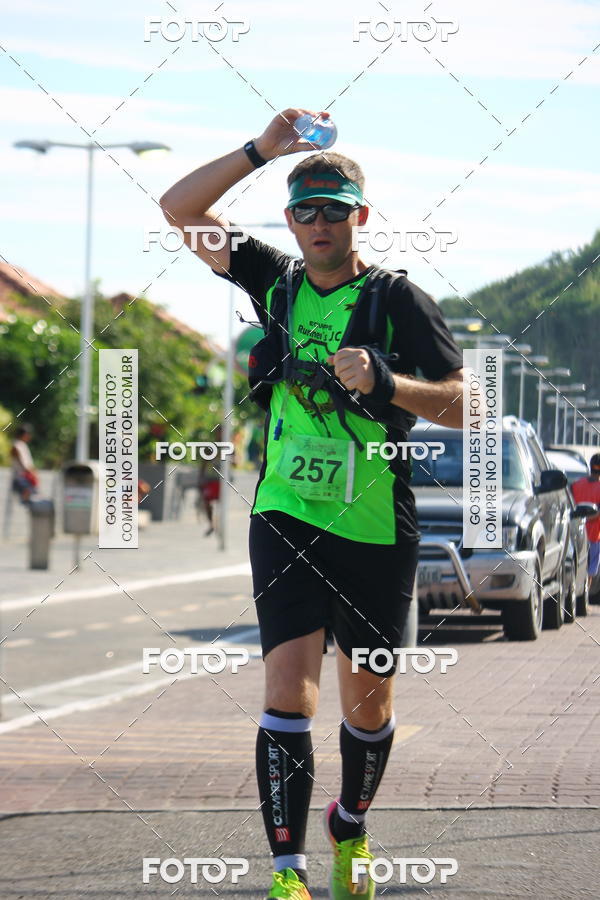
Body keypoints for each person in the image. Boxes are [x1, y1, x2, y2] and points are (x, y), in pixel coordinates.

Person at [160, 107, 465, 900]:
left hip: (373, 526)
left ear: (359, 216)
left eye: (335, 208)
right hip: (286, 516)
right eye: (305, 209)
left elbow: (469, 404)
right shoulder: (272, 278)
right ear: (290, 220)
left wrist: (389, 382)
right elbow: (179, 209)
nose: (320, 222)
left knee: (367, 711)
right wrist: (263, 149)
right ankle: (288, 872)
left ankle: (351, 825)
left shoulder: (398, 300)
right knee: (287, 692)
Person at [571, 453, 600, 592]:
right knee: (590, 569)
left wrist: (580, 519)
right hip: (594, 536)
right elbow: (597, 514)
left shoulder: (576, 484)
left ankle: (578, 593)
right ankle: (585, 595)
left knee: (576, 565)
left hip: (575, 532)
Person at [10, 424, 39, 505]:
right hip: (21, 478)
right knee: (29, 499)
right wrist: (30, 472)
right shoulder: (16, 446)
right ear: (24, 434)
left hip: (26, 477)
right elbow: (22, 464)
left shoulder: (22, 445)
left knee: (34, 496)